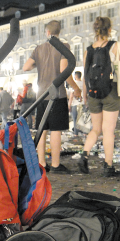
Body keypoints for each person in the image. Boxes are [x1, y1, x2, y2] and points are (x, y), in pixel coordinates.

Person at [24, 20, 81, 173]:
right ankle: (56, 164)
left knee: (42, 129)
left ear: (47, 33)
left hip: (41, 95)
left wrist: (39, 64)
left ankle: (42, 163)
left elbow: (26, 67)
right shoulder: (64, 47)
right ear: (59, 32)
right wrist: (76, 88)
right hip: (57, 93)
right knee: (56, 130)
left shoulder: (39, 48)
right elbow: (64, 70)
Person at [76, 18, 120, 177]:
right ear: (109, 29)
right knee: (108, 130)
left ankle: (84, 155)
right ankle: (108, 166)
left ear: (95, 30)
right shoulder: (116, 46)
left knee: (95, 129)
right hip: (111, 92)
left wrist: (85, 96)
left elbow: (85, 75)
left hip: (93, 94)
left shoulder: (87, 50)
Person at [69, 70, 84, 137]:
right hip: (82, 103)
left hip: (75, 104)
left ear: (75, 76)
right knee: (82, 120)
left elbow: (72, 95)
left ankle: (76, 134)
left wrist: (69, 104)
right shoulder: (83, 84)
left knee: (75, 120)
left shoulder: (75, 84)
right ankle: (83, 133)